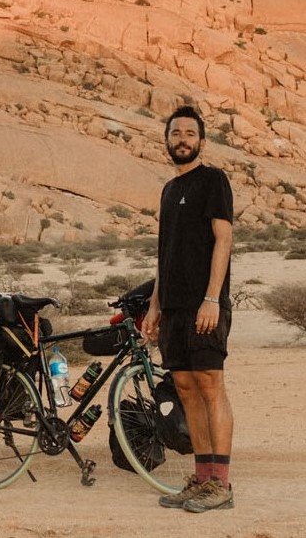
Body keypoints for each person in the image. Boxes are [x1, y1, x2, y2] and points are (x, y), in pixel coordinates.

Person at [142, 105, 235, 512]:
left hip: (204, 305)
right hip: (174, 309)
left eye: (189, 133)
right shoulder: (167, 189)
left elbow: (224, 240)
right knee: (185, 389)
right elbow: (164, 254)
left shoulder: (213, 181)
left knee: (210, 385)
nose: (182, 139)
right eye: (176, 132)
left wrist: (212, 299)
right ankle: (201, 479)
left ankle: (222, 484)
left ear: (201, 140)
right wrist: (154, 305)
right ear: (167, 139)